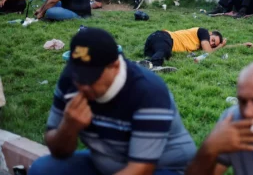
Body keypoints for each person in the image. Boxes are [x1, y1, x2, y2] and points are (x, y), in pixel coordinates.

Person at [28, 27, 197, 175]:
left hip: (161, 168)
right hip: (107, 162)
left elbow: (141, 169)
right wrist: (68, 127)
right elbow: (57, 150)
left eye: (91, 78)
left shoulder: (148, 92)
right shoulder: (70, 80)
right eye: (78, 77)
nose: (83, 86)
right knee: (42, 170)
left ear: (115, 66)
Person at [140, 28, 253, 72]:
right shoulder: (202, 32)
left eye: (213, 44)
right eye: (212, 40)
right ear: (210, 33)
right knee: (164, 51)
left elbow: (220, 48)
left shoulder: (199, 44)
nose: (211, 43)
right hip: (163, 37)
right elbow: (208, 52)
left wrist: (242, 45)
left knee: (166, 53)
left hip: (155, 45)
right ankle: (155, 66)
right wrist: (218, 46)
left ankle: (144, 64)